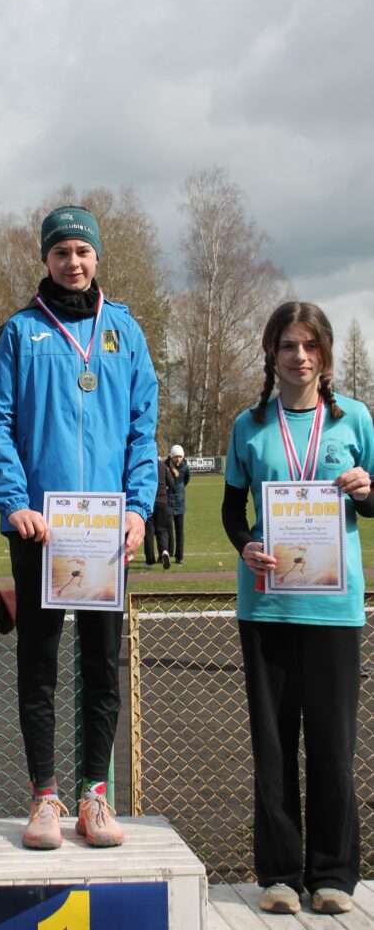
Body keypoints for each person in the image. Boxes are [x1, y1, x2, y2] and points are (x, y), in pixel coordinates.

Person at [0, 205, 158, 850]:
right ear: (46, 259)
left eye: (82, 251)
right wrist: (14, 503)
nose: (73, 262)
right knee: (40, 666)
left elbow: (142, 428)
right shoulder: (21, 332)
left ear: (97, 257)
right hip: (41, 531)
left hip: (106, 532)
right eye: (61, 252)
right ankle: (44, 798)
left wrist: (138, 508)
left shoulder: (125, 331)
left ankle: (94, 796)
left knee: (102, 668)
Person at [221, 301, 374, 917]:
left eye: (311, 346)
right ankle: (280, 875)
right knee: (274, 746)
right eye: (288, 345)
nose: (300, 357)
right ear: (272, 353)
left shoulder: (355, 418)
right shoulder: (249, 425)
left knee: (333, 748)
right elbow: (232, 510)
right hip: (268, 605)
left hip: (335, 609)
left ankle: (333, 874)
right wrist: (245, 545)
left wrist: (367, 490)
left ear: (325, 353)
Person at [144, 457, 175, 569]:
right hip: (163, 502)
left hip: (149, 501)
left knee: (149, 532)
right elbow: (172, 483)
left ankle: (149, 561)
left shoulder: (146, 465)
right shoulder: (163, 466)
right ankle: (164, 551)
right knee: (162, 530)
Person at [165, 445, 190, 563]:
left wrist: (179, 490)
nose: (178, 459)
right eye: (176, 457)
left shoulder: (186, 467)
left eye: (180, 456)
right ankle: (169, 553)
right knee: (168, 529)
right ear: (171, 456)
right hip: (168, 502)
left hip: (180, 503)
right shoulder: (165, 466)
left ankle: (179, 557)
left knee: (180, 530)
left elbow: (186, 481)